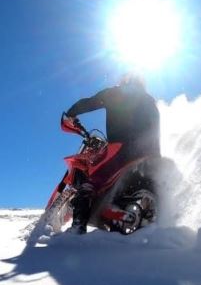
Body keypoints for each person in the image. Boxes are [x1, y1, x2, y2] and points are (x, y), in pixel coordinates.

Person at [63, 72, 160, 234]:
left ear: (125, 81)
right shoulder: (150, 101)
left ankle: (77, 229)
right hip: (150, 155)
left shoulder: (116, 92)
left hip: (123, 147)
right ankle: (117, 210)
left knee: (89, 184)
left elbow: (89, 103)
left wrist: (71, 114)